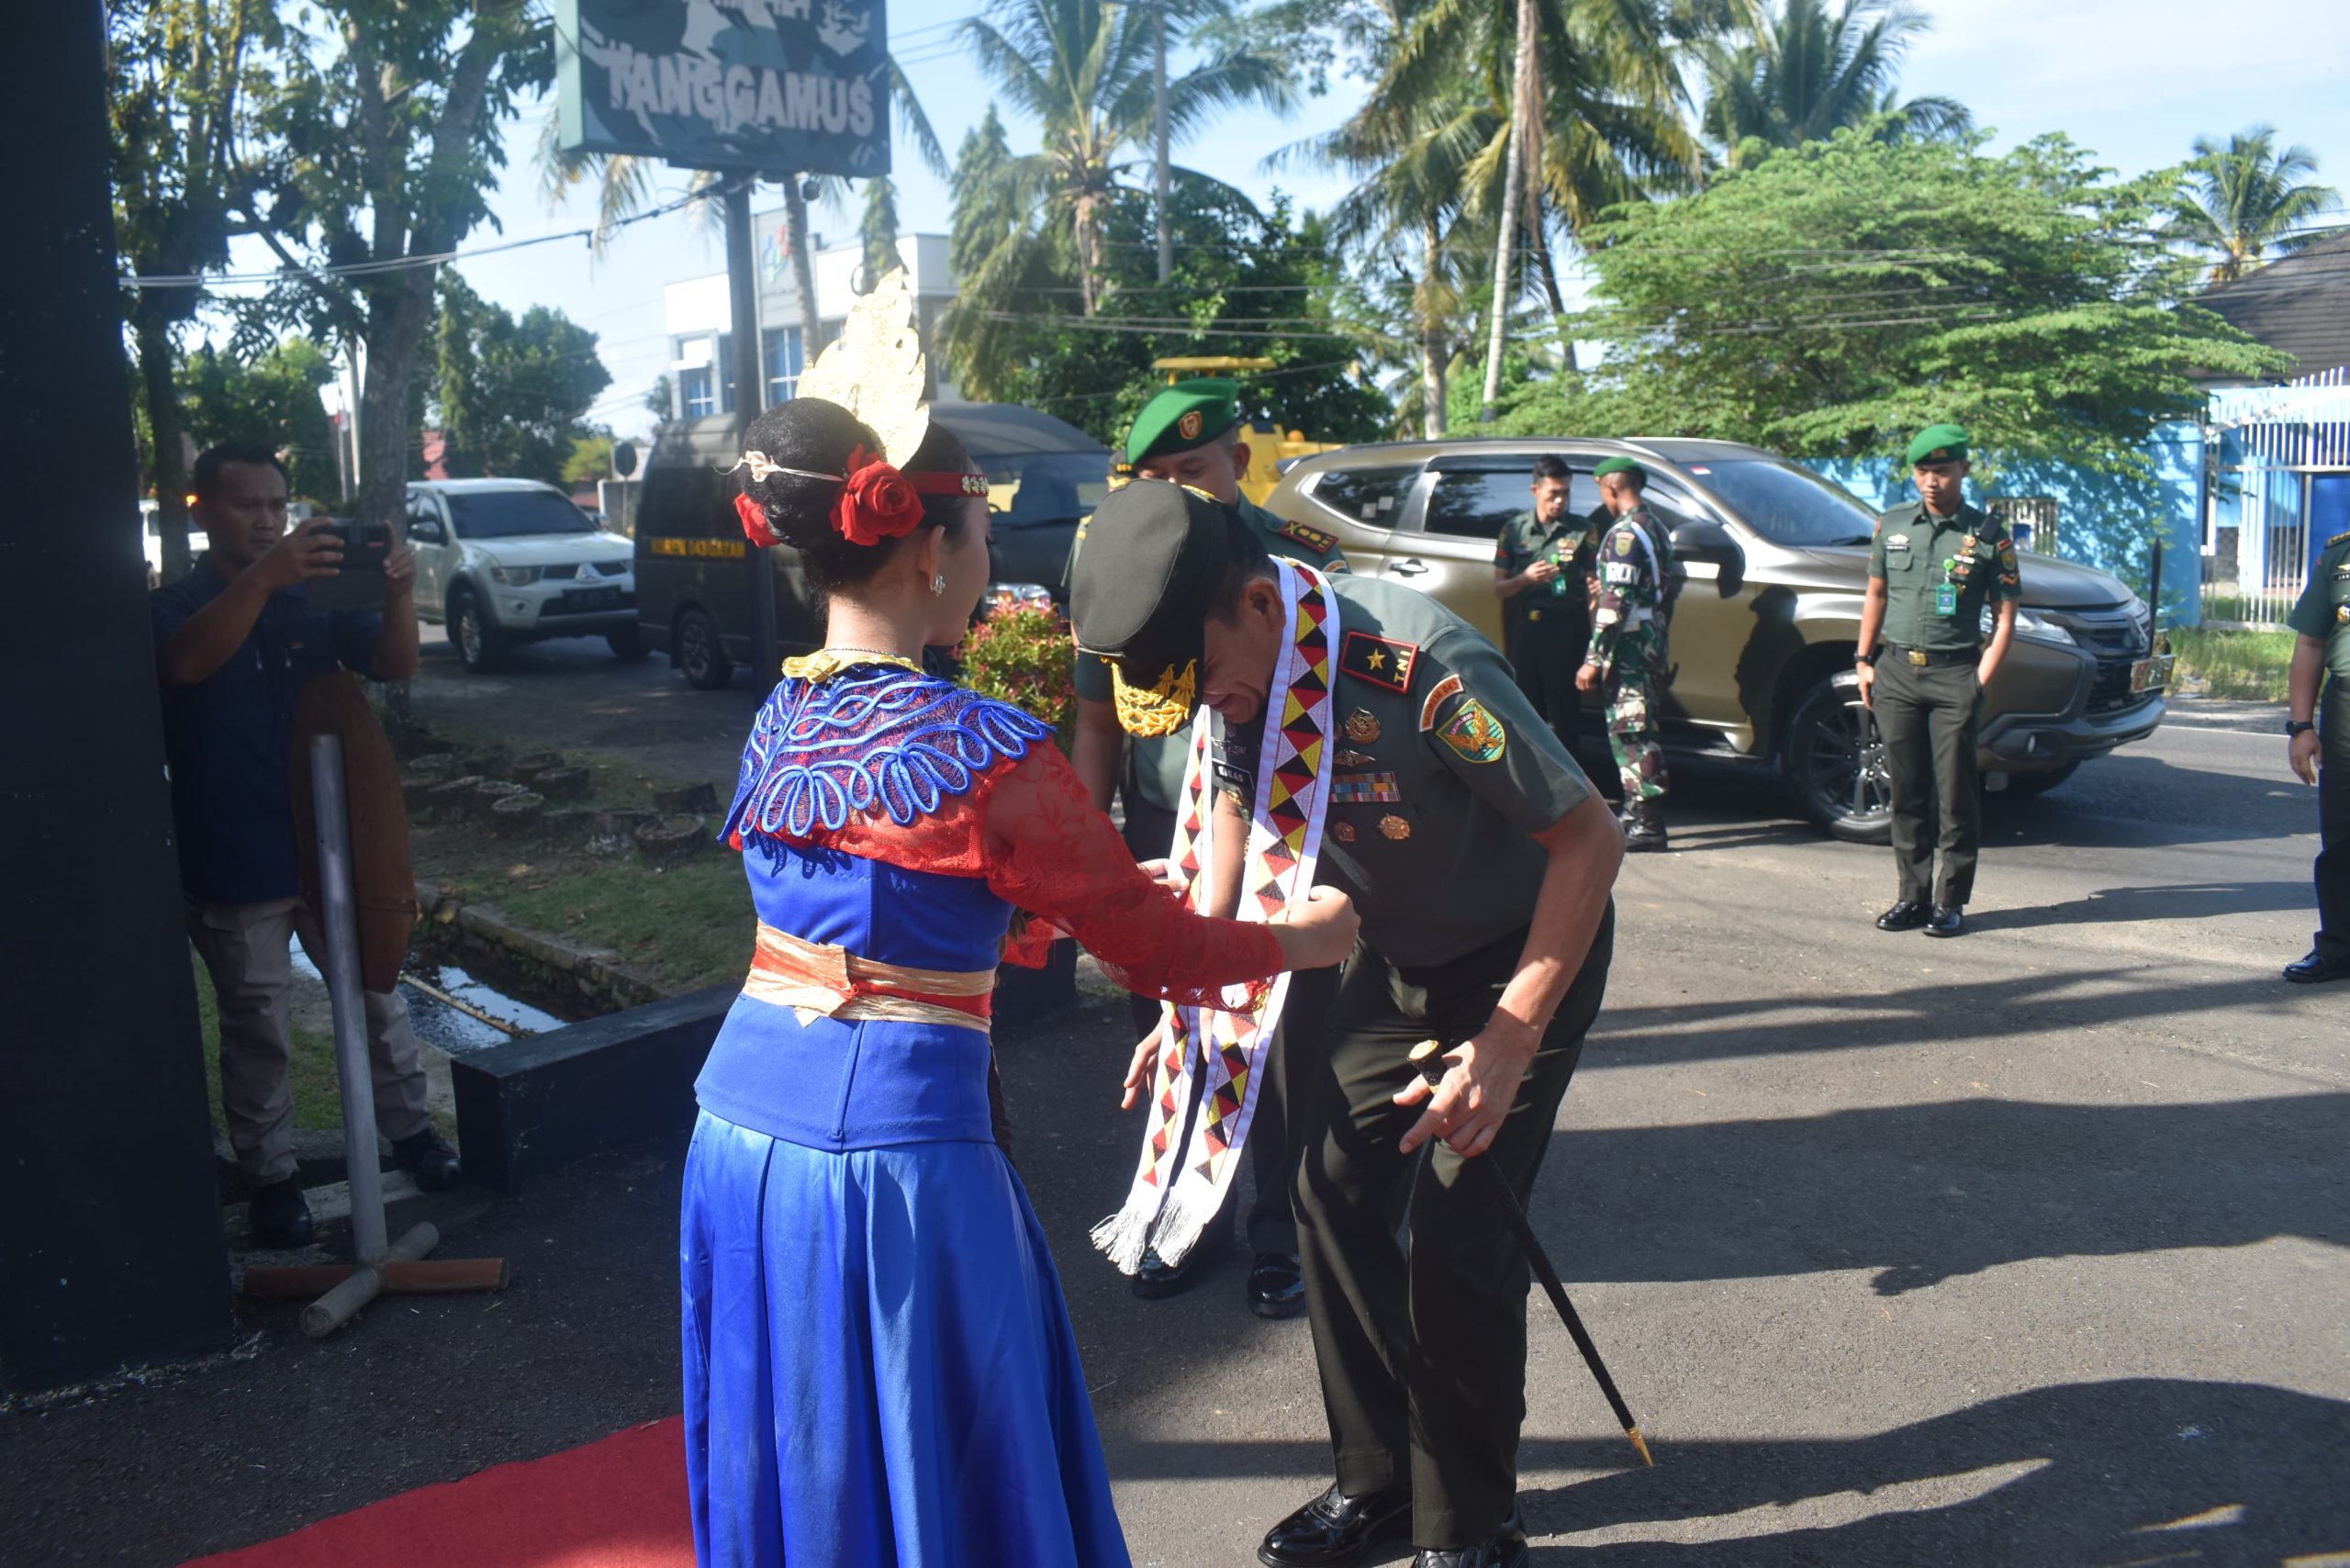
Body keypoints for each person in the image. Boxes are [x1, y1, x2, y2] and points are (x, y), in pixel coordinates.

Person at [680, 398, 1359, 1567]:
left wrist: (1066, 889)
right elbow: (1157, 954)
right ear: (930, 546)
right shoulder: (984, 744)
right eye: (982, 532)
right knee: (949, 1440)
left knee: (802, 1438)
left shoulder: (781, 713)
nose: (990, 559)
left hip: (738, 1131)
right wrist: (1304, 940)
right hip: (894, 1164)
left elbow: (884, 911)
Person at [1070, 483, 1623, 1568]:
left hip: (1520, 962)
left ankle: (1472, 1522)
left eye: (1216, 683)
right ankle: (1377, 1483)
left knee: (1461, 1244)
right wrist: (1195, 994)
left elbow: (1588, 840)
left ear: (1257, 605)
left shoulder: (1415, 666)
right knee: (1330, 1191)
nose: (1215, 710)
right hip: (1394, 954)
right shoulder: (1239, 680)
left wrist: (1511, 1035)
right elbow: (1233, 801)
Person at [1067, 376, 1348, 1316]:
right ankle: (1192, 1218)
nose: (1173, 495)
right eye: (1154, 478)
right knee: (1185, 1027)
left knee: (1283, 1041)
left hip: (1290, 832)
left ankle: (1280, 1228)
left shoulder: (1292, 568)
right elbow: (1097, 720)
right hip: (1167, 828)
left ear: (1238, 461)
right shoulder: (1120, 563)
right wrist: (1095, 850)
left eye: (1191, 471)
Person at [151, 442, 459, 1250]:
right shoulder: (177, 601)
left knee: (379, 994)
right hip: (235, 849)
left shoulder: (320, 598)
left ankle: (414, 1136)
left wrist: (397, 596)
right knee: (258, 1020)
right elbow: (184, 666)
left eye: (275, 505)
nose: (264, 520)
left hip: (337, 843)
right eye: (246, 505)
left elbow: (394, 664)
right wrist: (262, 579)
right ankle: (274, 1178)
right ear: (202, 510)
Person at [1853, 423, 2021, 938]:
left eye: (1942, 471)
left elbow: (2006, 616)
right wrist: (1863, 658)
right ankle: (1911, 896)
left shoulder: (1991, 537)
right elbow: (1876, 595)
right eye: (1923, 471)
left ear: (1963, 471)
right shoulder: (1893, 526)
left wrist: (1979, 681)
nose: (1931, 481)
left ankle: (1950, 901)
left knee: (1954, 795)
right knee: (1905, 790)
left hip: (1955, 674)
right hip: (1898, 671)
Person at [1575, 457, 1678, 851]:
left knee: (1633, 730)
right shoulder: (1655, 525)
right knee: (1638, 727)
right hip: (1648, 638)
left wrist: (1594, 658)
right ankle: (1637, 812)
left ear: (1612, 488)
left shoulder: (1625, 535)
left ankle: (1648, 822)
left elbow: (1615, 602)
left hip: (1630, 645)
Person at [1494, 455, 1598, 760]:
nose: (1560, 500)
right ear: (1535, 490)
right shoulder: (1514, 530)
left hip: (1565, 628)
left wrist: (1595, 646)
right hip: (1527, 628)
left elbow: (1593, 588)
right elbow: (1498, 589)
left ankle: (1574, 790)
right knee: (1526, 710)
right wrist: (1525, 579)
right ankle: (1534, 791)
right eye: (1554, 493)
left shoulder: (1583, 530)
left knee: (1566, 713)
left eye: (1565, 492)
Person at [2282, 523, 2350, 982]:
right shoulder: (2340, 557)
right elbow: (2310, 642)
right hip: (2347, 706)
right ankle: (2339, 948)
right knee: (2343, 836)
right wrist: (2301, 726)